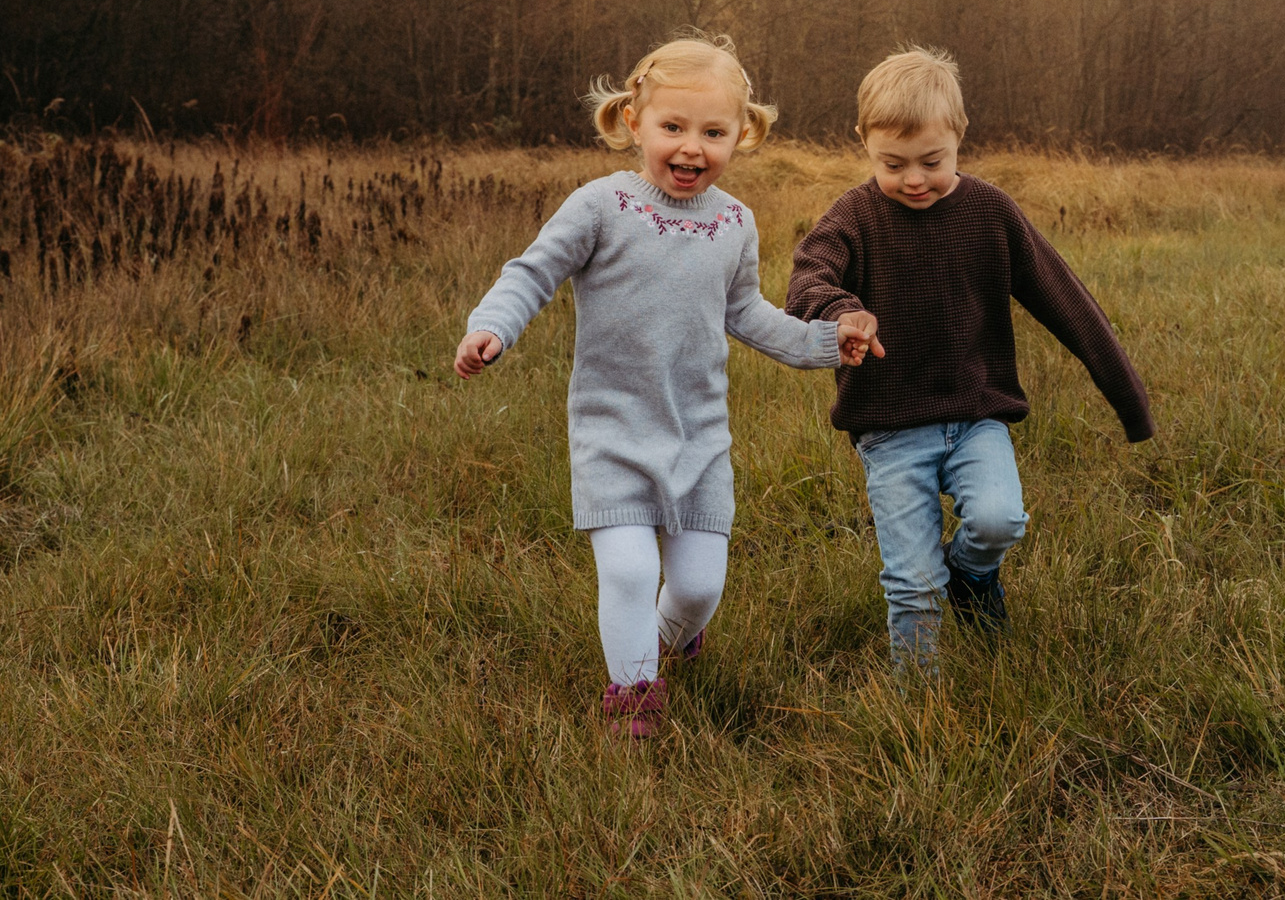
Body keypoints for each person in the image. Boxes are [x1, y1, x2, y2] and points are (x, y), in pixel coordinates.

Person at [454, 36, 881, 740]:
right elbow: (532, 272)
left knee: (698, 587)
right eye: (673, 126)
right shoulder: (600, 206)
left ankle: (667, 638)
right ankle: (633, 696)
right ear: (634, 122)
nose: (691, 147)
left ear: (741, 134)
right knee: (627, 571)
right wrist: (491, 326)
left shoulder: (734, 223)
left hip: (698, 437)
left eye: (713, 132)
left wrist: (825, 342)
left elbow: (746, 313)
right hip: (612, 431)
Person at [787, 46, 1153, 667]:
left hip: (977, 417)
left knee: (999, 521)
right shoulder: (854, 215)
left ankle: (972, 575)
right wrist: (841, 310)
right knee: (913, 584)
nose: (914, 179)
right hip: (890, 428)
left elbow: (1067, 301)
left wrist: (1129, 399)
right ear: (864, 142)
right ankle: (917, 703)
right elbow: (807, 277)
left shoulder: (990, 212)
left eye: (931, 161)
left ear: (959, 134)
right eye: (893, 164)